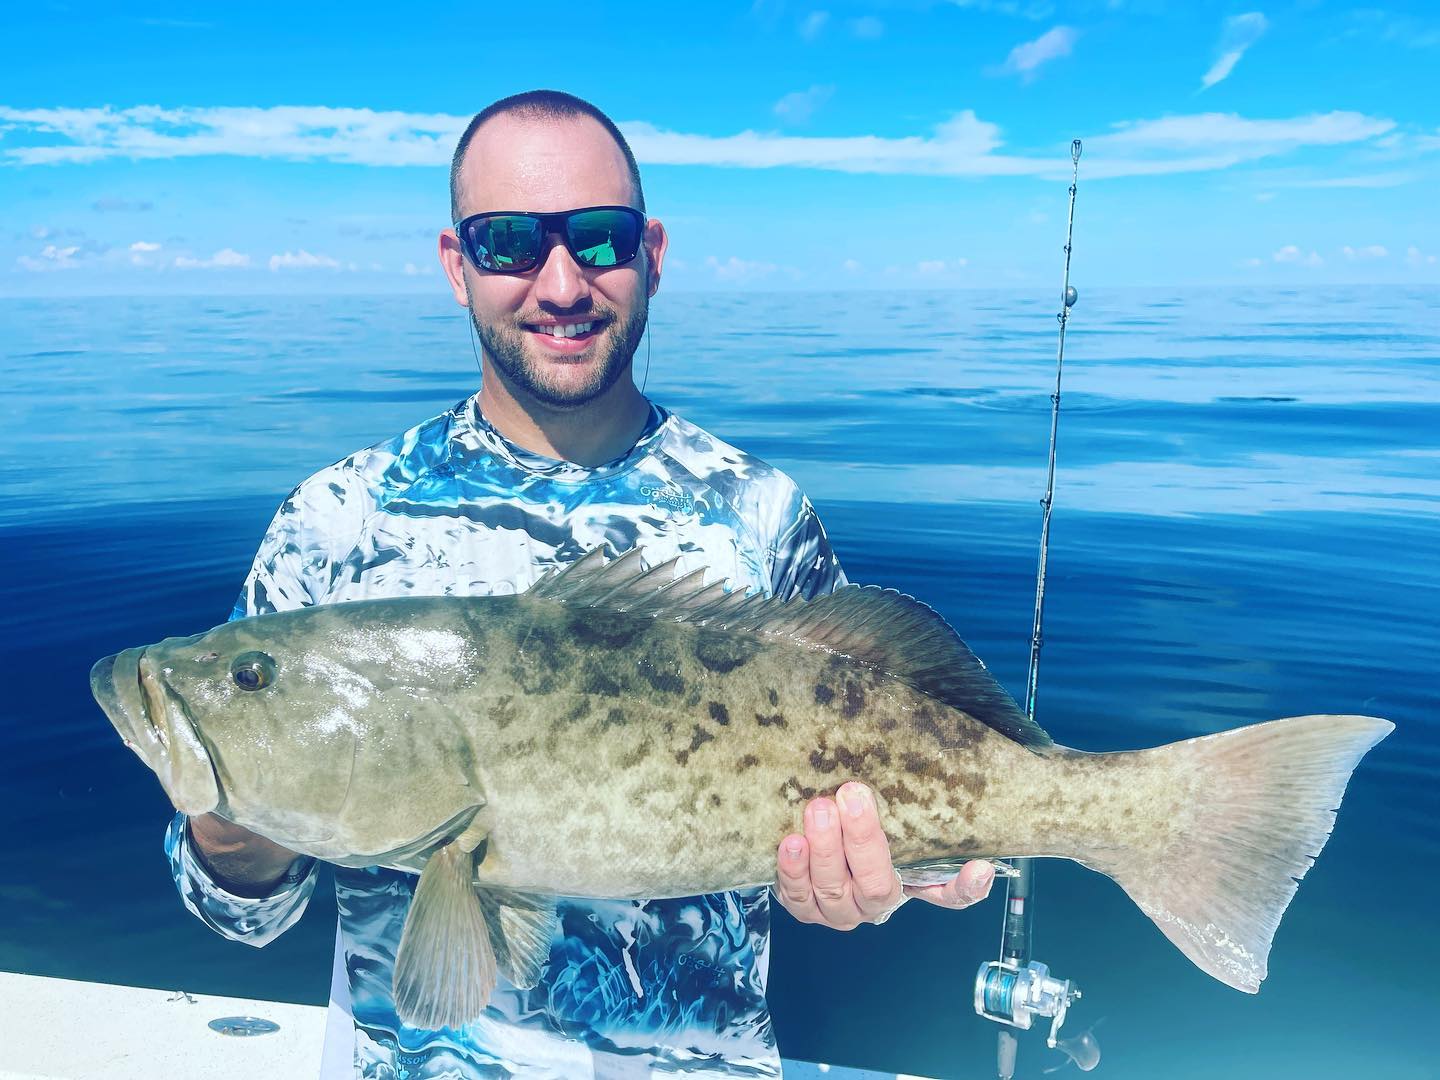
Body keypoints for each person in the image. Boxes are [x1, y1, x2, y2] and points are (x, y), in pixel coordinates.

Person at [166, 89, 996, 1079]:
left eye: (598, 239)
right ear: (455, 264)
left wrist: (891, 877)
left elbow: (872, 771)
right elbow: (240, 913)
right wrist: (229, 815)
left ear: (651, 253)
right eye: (508, 240)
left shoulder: (762, 511)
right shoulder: (338, 517)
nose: (560, 282)